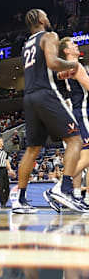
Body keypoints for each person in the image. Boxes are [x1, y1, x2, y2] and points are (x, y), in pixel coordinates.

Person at [12, 9, 84, 214]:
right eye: (47, 15)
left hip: (30, 96)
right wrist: (73, 65)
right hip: (46, 94)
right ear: (42, 19)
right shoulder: (49, 36)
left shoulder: (26, 44)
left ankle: (20, 199)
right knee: (75, 140)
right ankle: (65, 189)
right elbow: (52, 62)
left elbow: (45, 71)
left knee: (32, 149)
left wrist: (62, 74)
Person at [58, 37, 89, 206]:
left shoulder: (68, 68)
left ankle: (73, 194)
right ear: (66, 51)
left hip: (75, 114)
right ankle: (61, 187)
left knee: (82, 157)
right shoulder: (75, 66)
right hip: (81, 112)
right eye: (72, 44)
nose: (76, 45)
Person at [0, 137, 15, 208]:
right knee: (0, 187)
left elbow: (6, 161)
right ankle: (2, 203)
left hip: (4, 170)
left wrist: (10, 169)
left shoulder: (5, 151)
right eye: (0, 141)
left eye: (2, 141)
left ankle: (5, 201)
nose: (1, 143)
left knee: (7, 187)